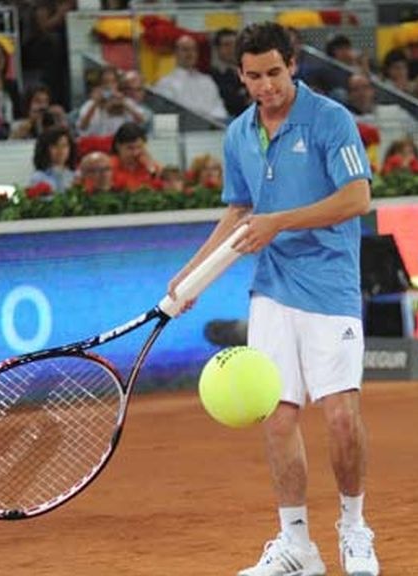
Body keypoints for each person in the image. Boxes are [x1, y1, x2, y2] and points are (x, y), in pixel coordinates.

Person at [167, 22, 379, 576]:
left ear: (293, 65)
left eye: (275, 74)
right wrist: (191, 277)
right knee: (278, 418)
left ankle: (354, 529)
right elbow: (239, 212)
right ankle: (296, 545)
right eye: (254, 77)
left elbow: (357, 198)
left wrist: (280, 220)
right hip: (272, 288)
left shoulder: (331, 119)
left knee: (340, 417)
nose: (266, 87)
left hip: (330, 285)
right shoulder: (238, 133)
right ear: (240, 76)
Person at [153, 35, 229, 121]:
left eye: (193, 49)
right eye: (185, 49)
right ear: (176, 53)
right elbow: (166, 115)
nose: (190, 53)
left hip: (210, 126)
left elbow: (219, 108)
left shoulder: (207, 81)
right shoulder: (165, 83)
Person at [109, 122, 161, 191]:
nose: (135, 153)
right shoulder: (108, 167)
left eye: (139, 147)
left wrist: (152, 170)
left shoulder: (153, 167)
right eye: (130, 148)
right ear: (118, 146)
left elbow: (161, 190)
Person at [29, 126, 76, 192]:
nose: (60, 150)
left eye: (64, 145)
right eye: (55, 146)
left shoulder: (75, 176)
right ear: (45, 149)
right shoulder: (38, 178)